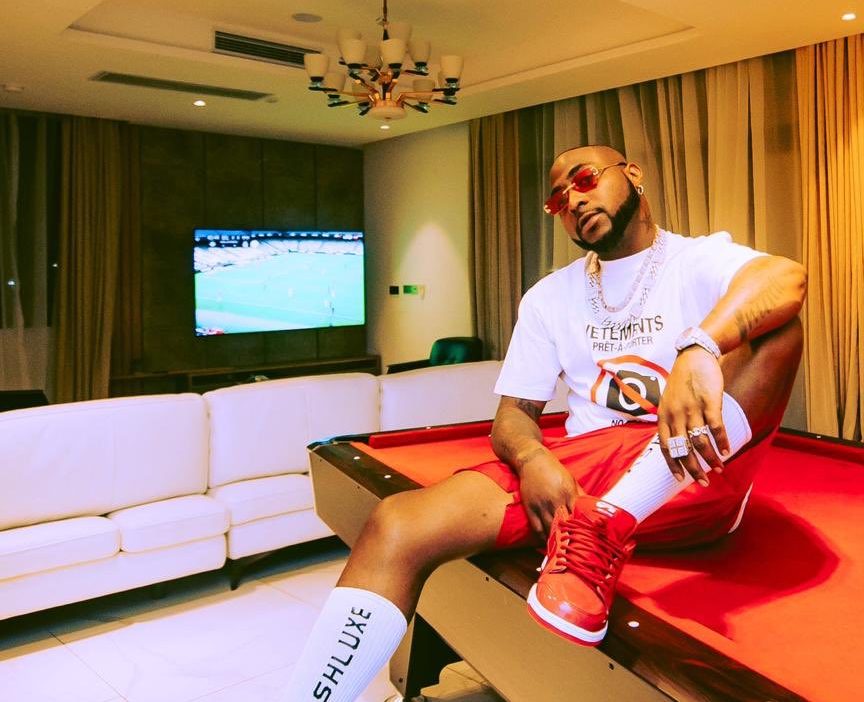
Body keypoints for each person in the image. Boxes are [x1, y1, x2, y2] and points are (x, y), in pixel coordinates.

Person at [284, 145, 806, 701]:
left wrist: (700, 346)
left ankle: (611, 519)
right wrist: (533, 458)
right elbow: (513, 415)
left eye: (585, 180)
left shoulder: (696, 260)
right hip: (585, 474)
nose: (573, 201)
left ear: (632, 175)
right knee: (397, 523)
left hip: (689, 468)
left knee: (780, 326)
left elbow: (785, 277)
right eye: (558, 200)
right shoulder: (549, 297)